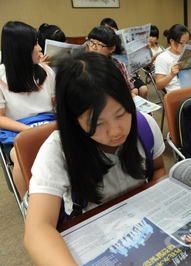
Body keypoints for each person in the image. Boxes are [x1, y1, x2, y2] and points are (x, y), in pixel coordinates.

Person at [24, 52, 165, 264]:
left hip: (141, 226)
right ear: (74, 119)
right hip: (90, 237)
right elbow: (37, 229)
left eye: (121, 113)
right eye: (98, 124)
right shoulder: (58, 150)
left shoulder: (143, 125)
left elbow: (158, 171)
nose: (116, 131)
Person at [0, 21, 56, 198]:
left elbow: (57, 104)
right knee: (20, 155)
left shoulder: (46, 71)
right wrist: (30, 130)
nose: (40, 49)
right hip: (17, 128)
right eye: (35, 44)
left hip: (49, 123)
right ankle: (29, 205)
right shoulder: (1, 75)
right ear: (20, 49)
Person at [87, 26, 148, 98]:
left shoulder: (119, 65)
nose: (93, 47)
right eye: (91, 42)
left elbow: (128, 91)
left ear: (112, 48)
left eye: (99, 44)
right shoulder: (84, 65)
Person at [155, 24, 191, 93]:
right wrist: (171, 75)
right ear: (172, 41)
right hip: (179, 93)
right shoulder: (162, 57)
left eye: (188, 42)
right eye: (183, 43)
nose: (186, 46)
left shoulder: (190, 54)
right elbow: (159, 86)